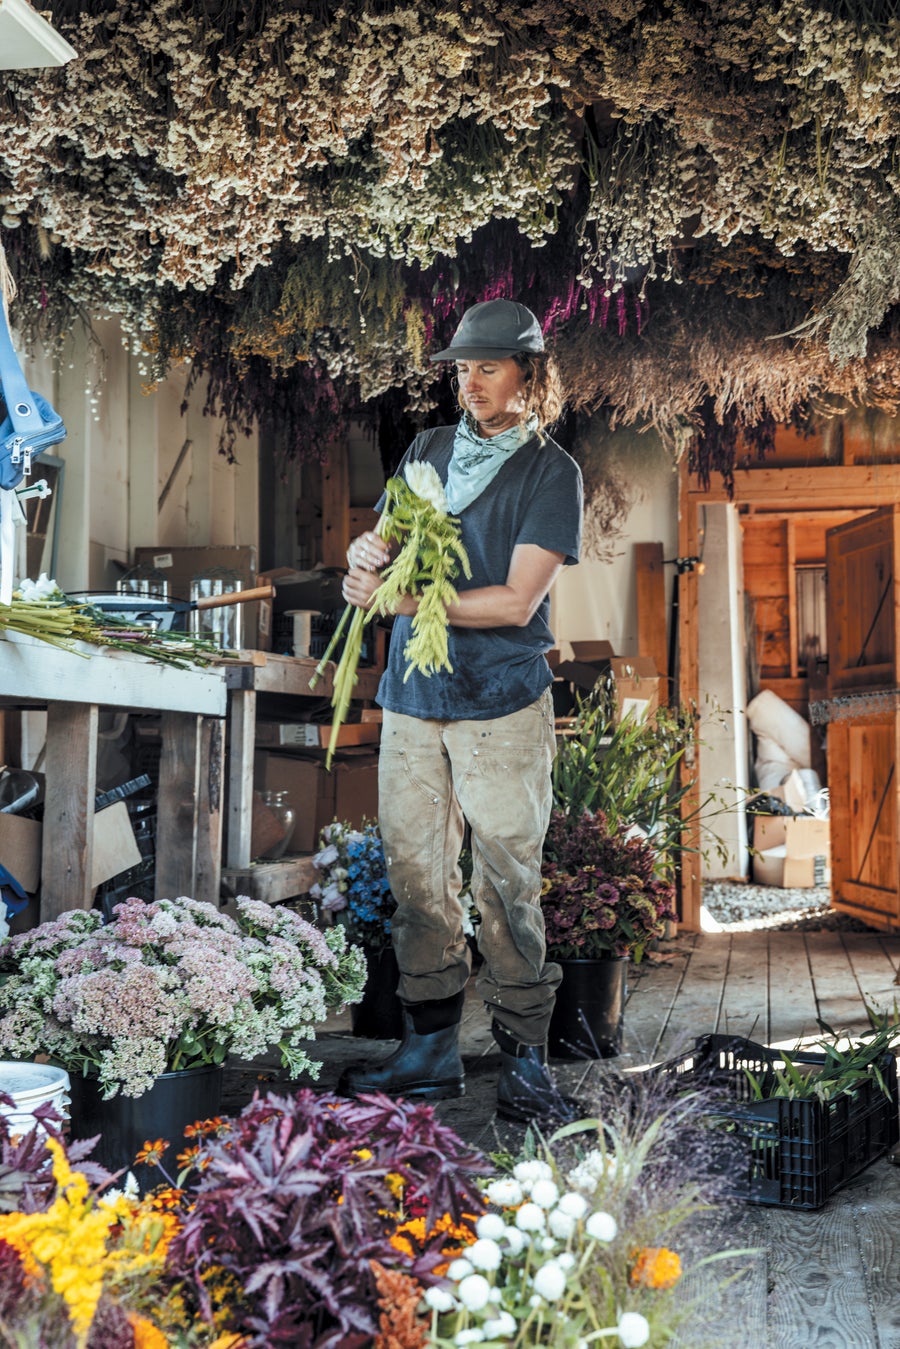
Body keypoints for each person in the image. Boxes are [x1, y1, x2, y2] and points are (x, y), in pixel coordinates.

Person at [337, 298, 583, 1127]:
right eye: (462, 368)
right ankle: (431, 1049)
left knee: (506, 884)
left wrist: (402, 598)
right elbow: (382, 547)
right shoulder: (427, 449)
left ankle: (523, 1058)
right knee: (416, 879)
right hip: (414, 700)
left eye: (489, 367)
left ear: (528, 374)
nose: (470, 383)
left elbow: (518, 602)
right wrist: (361, 563)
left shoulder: (553, 474)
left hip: (501, 702)